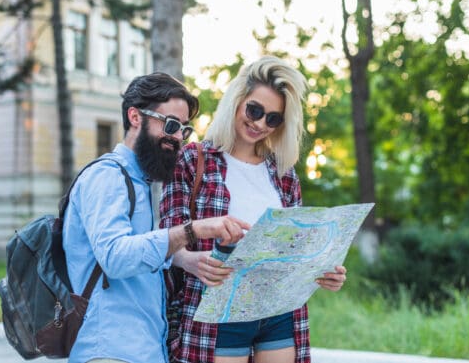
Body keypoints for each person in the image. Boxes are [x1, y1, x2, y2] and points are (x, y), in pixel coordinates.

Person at [159, 56, 348, 363]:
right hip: (220, 312)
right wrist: (190, 260)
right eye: (255, 110)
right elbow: (164, 239)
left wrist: (323, 271)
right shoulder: (194, 160)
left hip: (278, 312)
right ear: (237, 101)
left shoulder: (284, 175)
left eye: (272, 119)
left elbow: (296, 250)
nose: (260, 124)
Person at [62, 72, 248, 363]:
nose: (177, 138)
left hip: (141, 349)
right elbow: (115, 256)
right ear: (135, 117)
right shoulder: (107, 176)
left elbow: (135, 248)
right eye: (171, 125)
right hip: (109, 350)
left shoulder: (140, 183)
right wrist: (191, 231)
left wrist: (182, 259)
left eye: (183, 130)